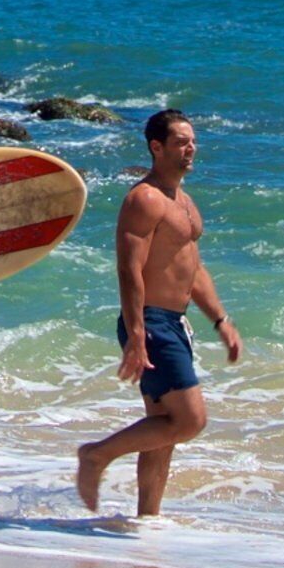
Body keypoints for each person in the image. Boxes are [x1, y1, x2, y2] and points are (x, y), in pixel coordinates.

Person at [76, 109, 239, 518]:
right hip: (150, 322)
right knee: (189, 420)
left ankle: (148, 520)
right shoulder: (144, 199)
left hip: (173, 323)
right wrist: (136, 333)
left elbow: (193, 268)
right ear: (156, 147)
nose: (190, 148)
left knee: (162, 431)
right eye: (181, 141)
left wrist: (220, 320)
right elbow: (129, 268)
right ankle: (95, 455)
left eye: (193, 141)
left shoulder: (183, 203)